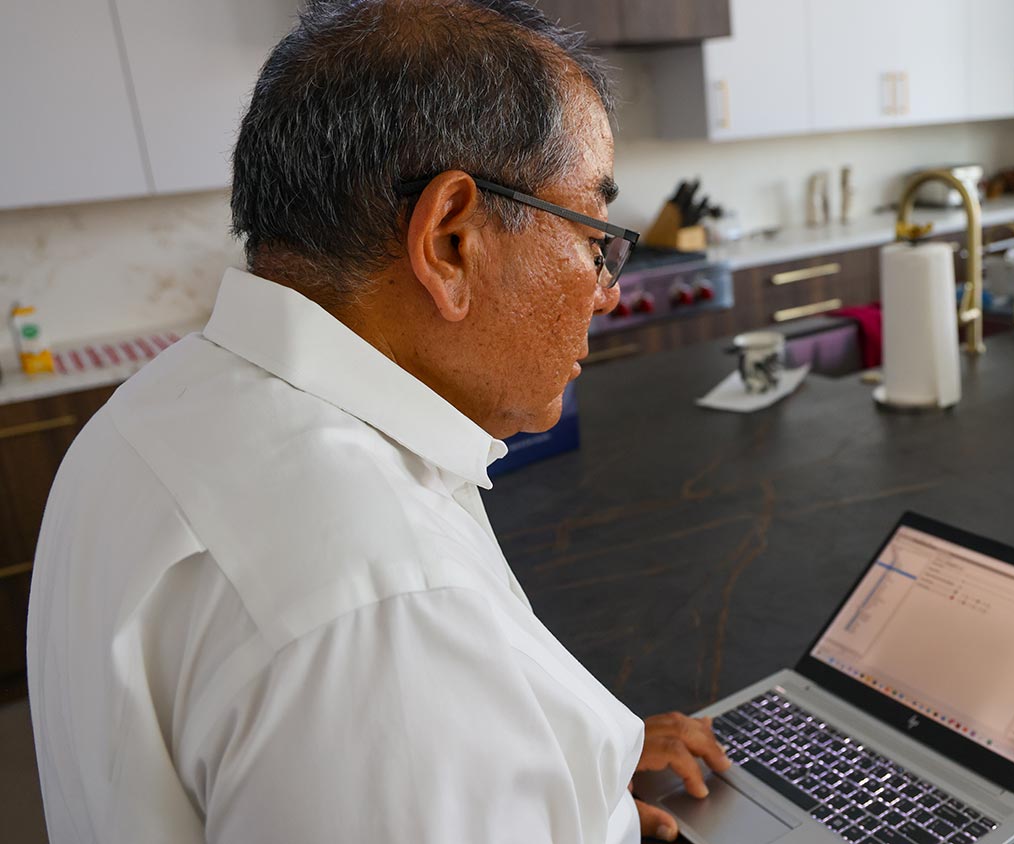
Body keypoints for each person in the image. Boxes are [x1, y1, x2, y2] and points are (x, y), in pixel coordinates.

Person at [26, 1, 727, 841]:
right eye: (593, 238)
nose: (606, 289)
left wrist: (570, 767)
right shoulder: (385, 610)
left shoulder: (151, 412)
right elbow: (385, 694)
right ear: (451, 243)